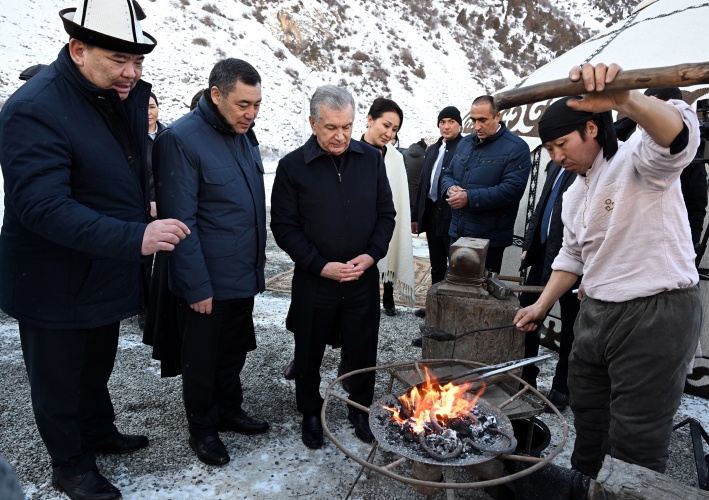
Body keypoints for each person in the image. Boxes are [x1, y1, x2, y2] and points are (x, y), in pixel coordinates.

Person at [0, 2, 190, 499]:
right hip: (53, 279)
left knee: (95, 364)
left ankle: (97, 429)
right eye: (119, 60)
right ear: (78, 49)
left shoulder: (110, 94)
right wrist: (135, 237)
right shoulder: (34, 108)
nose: (131, 73)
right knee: (58, 380)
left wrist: (142, 205)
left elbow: (112, 170)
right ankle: (71, 465)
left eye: (138, 61)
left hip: (102, 267)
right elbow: (41, 206)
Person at [514, 63, 701, 478]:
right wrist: (540, 306)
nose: (556, 157)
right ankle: (584, 485)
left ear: (591, 129)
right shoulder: (574, 193)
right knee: (589, 419)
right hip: (597, 312)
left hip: (654, 312)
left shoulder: (638, 158)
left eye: (562, 144)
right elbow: (571, 257)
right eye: (549, 149)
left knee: (636, 438)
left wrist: (627, 99)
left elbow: (678, 139)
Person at [153, 58, 269, 467]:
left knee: (233, 349)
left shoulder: (243, 134)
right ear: (216, 94)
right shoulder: (180, 140)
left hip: (241, 273)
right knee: (201, 359)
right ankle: (202, 428)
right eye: (243, 104)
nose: (251, 113)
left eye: (256, 104)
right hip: (207, 280)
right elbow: (180, 222)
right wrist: (196, 285)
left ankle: (228, 408)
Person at [271, 85, 395, 450]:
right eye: (331, 127)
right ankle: (310, 411)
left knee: (363, 347)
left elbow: (386, 215)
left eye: (347, 126)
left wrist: (372, 255)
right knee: (309, 349)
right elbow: (284, 227)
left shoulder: (370, 160)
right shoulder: (292, 167)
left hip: (361, 277)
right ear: (313, 123)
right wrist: (318, 264)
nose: (340, 135)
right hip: (316, 280)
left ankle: (360, 409)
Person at [440, 96, 531, 273]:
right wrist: (450, 188)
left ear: (497, 116)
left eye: (483, 120)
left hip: (488, 240)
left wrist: (469, 197)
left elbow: (511, 190)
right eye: (473, 120)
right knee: (453, 283)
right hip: (457, 233)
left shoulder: (516, 148)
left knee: (480, 287)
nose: (476, 126)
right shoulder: (465, 143)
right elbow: (448, 173)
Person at [518, 160, 580, 411]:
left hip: (576, 260)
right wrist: (529, 244)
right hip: (544, 253)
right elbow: (542, 207)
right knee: (527, 314)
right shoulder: (556, 165)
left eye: (561, 144)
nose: (557, 153)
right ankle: (525, 375)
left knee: (572, 326)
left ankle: (562, 387)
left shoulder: (588, 166)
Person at [614, 87, 708, 251]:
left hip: (663, 244)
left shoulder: (688, 151)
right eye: (651, 107)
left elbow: (695, 205)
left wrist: (690, 246)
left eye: (663, 110)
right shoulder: (614, 138)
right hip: (620, 240)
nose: (656, 115)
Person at [361, 98, 415, 316]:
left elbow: (399, 196)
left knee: (388, 250)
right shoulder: (350, 151)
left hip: (385, 221)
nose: (389, 134)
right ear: (370, 119)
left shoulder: (395, 158)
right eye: (386, 125)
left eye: (395, 129)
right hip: (359, 225)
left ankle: (388, 295)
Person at [411, 106, 465, 322]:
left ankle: (448, 312)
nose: (446, 126)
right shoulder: (433, 149)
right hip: (432, 213)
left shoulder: (465, 149)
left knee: (454, 267)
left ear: (459, 124)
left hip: (452, 215)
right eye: (442, 122)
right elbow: (423, 183)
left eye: (451, 121)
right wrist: (416, 216)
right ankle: (434, 307)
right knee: (436, 264)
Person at [138, 91, 166, 330]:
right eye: (143, 107)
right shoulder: (132, 138)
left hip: (169, 206)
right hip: (143, 209)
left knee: (168, 260)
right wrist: (148, 203)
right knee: (144, 262)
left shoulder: (168, 135)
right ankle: (144, 310)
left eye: (152, 106)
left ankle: (163, 307)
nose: (149, 112)